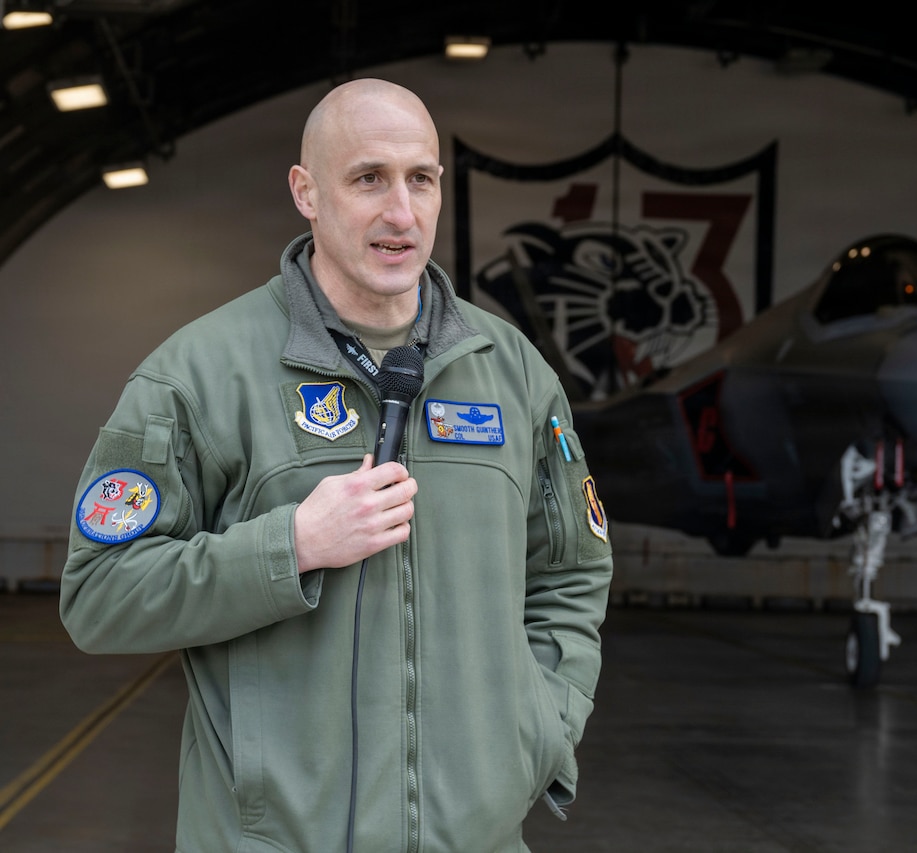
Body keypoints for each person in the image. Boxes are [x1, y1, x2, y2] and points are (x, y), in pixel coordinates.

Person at [60, 77, 613, 853]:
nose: (401, 212)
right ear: (307, 192)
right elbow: (99, 595)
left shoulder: (513, 370)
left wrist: (543, 725)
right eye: (368, 179)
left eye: (421, 179)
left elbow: (572, 570)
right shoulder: (198, 374)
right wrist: (291, 547)